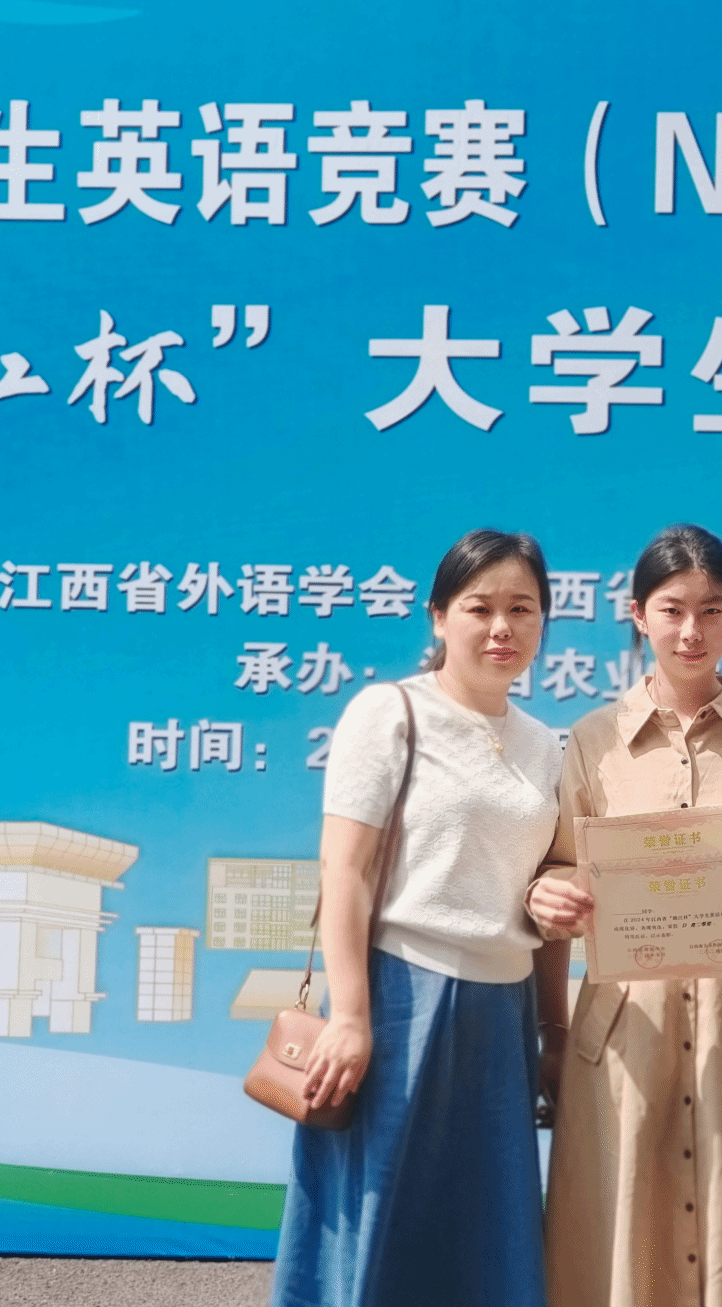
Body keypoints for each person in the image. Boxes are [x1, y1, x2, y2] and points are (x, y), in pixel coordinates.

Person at [528, 523, 722, 1307]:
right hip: (628, 1029)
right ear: (638, 615)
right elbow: (559, 863)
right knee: (624, 1229)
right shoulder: (592, 740)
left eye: (712, 609)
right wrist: (547, 894)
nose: (691, 630)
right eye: (671, 609)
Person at [271, 530, 569, 1307]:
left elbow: (546, 900)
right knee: (378, 1225)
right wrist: (351, 1017)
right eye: (480, 607)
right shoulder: (391, 712)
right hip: (399, 1000)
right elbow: (344, 869)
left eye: (522, 609)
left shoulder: (547, 748)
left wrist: (555, 1033)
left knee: (484, 1240)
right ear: (438, 616)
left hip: (503, 1017)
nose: (502, 627)